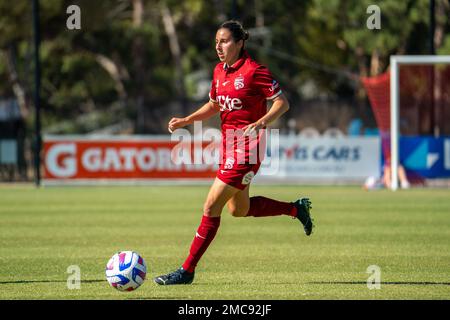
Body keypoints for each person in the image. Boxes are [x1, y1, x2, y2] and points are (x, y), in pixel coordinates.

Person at [154, 20, 314, 285]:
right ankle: (296, 210)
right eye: (216, 41)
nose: (219, 46)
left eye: (225, 41)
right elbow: (214, 105)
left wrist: (261, 122)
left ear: (240, 43)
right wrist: (186, 120)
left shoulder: (254, 71)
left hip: (249, 149)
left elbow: (282, 103)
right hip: (229, 147)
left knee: (210, 206)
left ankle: (187, 271)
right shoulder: (219, 71)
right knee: (238, 210)